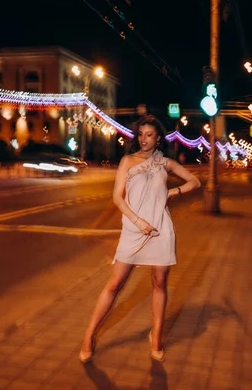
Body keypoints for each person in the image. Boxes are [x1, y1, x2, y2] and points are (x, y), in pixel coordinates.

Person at [80, 115, 201, 363]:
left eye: (150, 135)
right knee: (115, 284)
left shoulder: (165, 163)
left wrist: (172, 192)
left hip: (160, 230)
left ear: (158, 139)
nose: (144, 139)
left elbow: (195, 181)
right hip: (134, 230)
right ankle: (89, 335)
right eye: (141, 134)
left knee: (159, 283)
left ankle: (156, 335)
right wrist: (137, 222)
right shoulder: (127, 161)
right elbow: (117, 198)